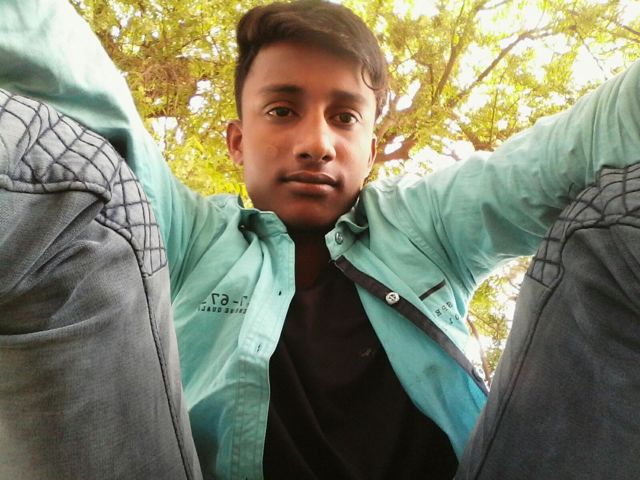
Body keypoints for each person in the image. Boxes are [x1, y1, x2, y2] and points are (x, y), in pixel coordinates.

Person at [1, 0, 639, 478]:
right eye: (282, 111)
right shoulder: (191, 237)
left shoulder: (427, 229)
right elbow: (82, 94)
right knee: (66, 169)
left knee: (621, 208)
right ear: (238, 141)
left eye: (345, 116)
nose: (316, 142)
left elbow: (575, 149)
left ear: (370, 150)